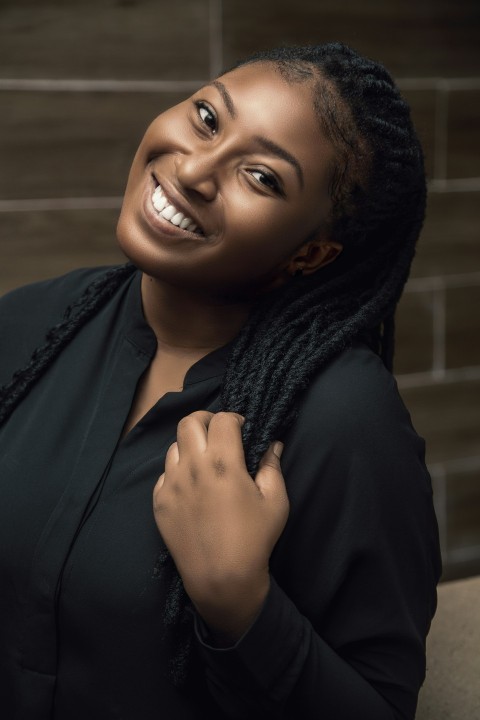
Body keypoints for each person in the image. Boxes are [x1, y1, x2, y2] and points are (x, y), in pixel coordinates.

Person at [0, 43, 441, 719]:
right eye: (207, 117)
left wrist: (240, 601)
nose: (195, 170)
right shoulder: (34, 320)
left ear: (311, 253)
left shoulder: (343, 421)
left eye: (261, 177)